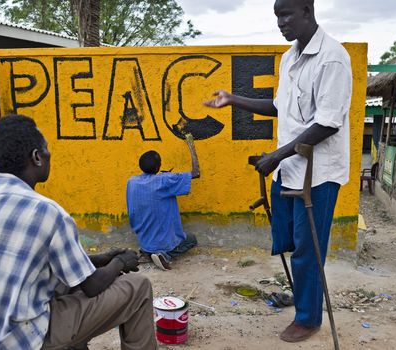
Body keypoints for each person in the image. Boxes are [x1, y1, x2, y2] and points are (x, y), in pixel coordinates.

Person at [204, 0, 352, 343]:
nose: (280, 23)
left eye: (286, 15)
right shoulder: (290, 58)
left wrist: (276, 155)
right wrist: (233, 99)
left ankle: (308, 318)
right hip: (287, 170)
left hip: (318, 175)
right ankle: (304, 300)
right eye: (276, 17)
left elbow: (328, 123)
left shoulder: (332, 58)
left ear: (307, 11)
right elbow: (278, 106)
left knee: (308, 249)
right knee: (286, 240)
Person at [0, 115, 158, 350]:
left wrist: (100, 259)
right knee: (138, 287)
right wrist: (119, 263)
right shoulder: (47, 212)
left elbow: (46, 265)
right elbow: (93, 286)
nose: (49, 154)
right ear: (36, 157)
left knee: (65, 286)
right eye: (46, 149)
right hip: (16, 340)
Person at [126, 134, 200, 271]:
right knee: (192, 240)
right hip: (163, 242)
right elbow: (196, 173)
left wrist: (165, 175)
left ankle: (147, 252)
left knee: (153, 234)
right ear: (157, 167)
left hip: (144, 240)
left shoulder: (132, 182)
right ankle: (164, 255)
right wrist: (191, 146)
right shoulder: (164, 181)